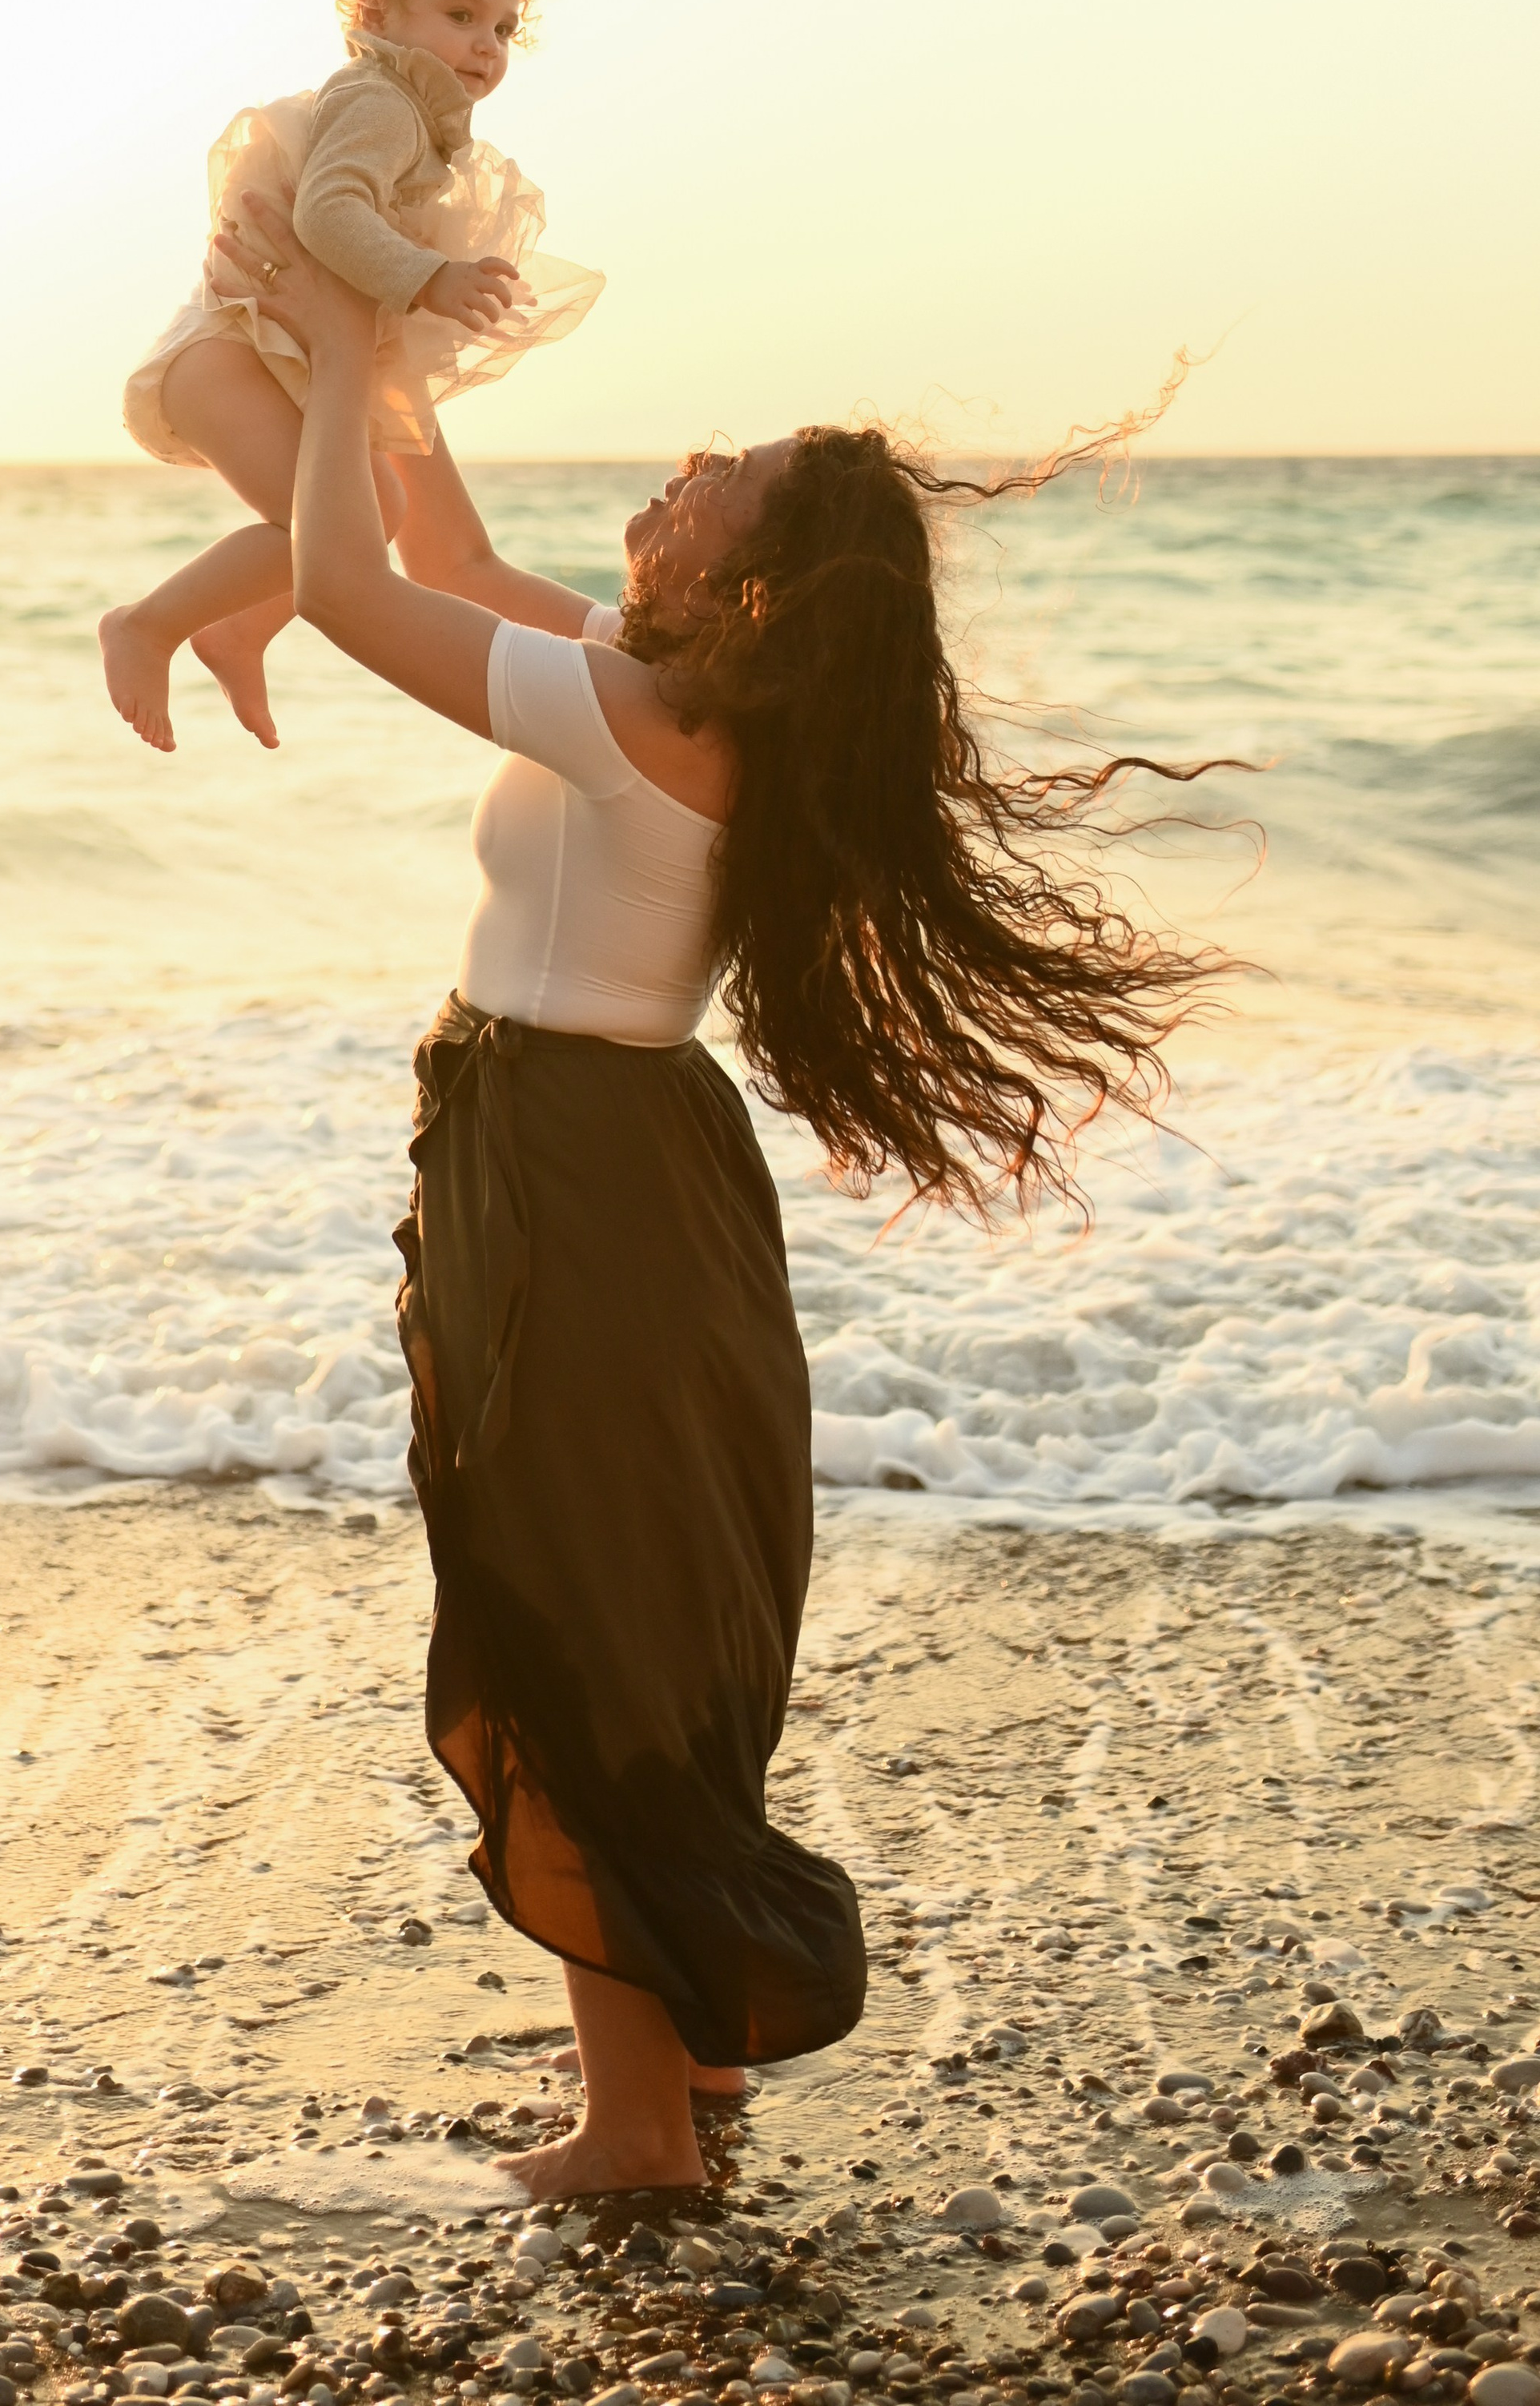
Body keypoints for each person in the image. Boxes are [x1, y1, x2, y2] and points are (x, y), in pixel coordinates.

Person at [221, 191, 1226, 2198]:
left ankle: (634, 2132)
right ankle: (687, 2061)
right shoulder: (656, 687)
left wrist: (340, 340)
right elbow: (433, 549)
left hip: (575, 1174)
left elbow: (341, 584)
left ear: (753, 585)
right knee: (620, 1605)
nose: (679, 466)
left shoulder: (643, 717)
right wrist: (394, 337)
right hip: (611, 1160)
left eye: (723, 478)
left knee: (567, 1613)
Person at [99, 0, 601, 755]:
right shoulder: (381, 102)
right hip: (224, 355)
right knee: (369, 509)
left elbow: (461, 571)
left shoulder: (408, 114)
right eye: (459, 15)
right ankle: (146, 625)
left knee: (380, 508)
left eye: (503, 28)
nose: (485, 46)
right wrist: (428, 277)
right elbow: (327, 215)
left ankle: (242, 629)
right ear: (379, 10)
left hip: (259, 353)